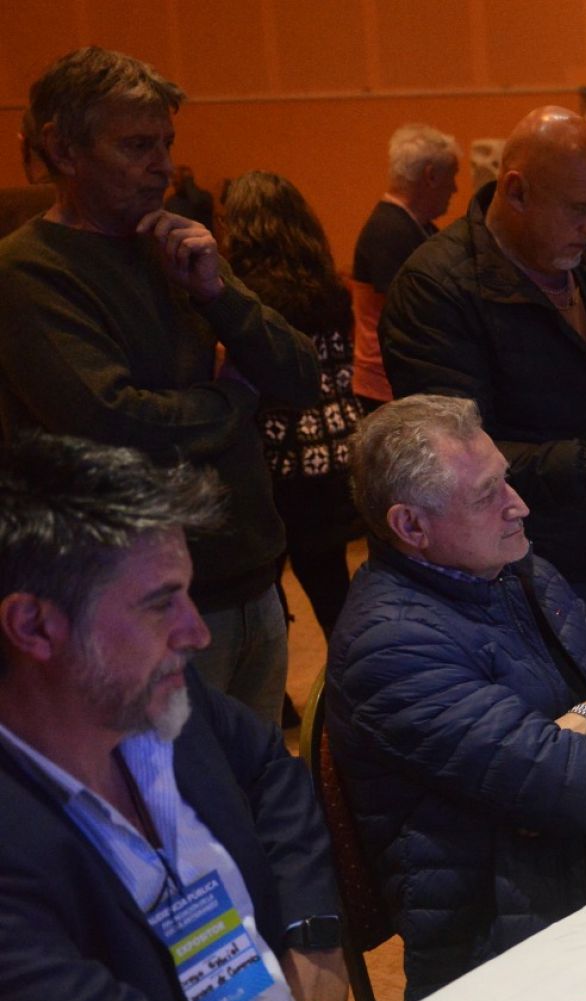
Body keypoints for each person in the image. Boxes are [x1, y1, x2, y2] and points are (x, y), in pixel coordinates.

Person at [0, 432, 586, 1001]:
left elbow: (272, 771)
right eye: (159, 604)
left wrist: (312, 926)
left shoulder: (155, 701)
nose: (197, 633)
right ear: (34, 625)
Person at [327, 395, 586, 1001]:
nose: (518, 505)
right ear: (410, 527)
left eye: (506, 478)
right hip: (515, 934)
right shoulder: (391, 646)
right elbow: (569, 788)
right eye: (486, 494)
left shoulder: (514, 571)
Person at [0, 46, 319, 725]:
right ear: (62, 149)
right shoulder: (28, 272)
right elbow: (116, 425)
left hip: (253, 578)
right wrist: (233, 397)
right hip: (133, 603)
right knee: (168, 810)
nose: (165, 167)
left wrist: (218, 296)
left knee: (248, 800)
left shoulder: (174, 245)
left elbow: (299, 375)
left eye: (166, 143)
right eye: (138, 145)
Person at [381, 105, 586, 628]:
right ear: (516, 191)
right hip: (505, 573)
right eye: (578, 209)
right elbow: (451, 458)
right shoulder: (436, 288)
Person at [222, 170, 367, 640]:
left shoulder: (246, 297)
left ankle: (278, 700)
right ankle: (350, 690)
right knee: (331, 587)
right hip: (337, 446)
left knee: (266, 585)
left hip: (279, 455)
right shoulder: (327, 285)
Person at [349, 122, 459, 410]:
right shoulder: (389, 229)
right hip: (385, 383)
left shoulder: (415, 227)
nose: (455, 188)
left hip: (399, 377)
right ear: (431, 176)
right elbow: (411, 311)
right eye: (452, 177)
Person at [164, 163, 215, 229]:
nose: (173, 182)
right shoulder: (171, 202)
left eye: (176, 178)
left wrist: (188, 181)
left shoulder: (205, 197)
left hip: (201, 237)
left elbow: (197, 202)